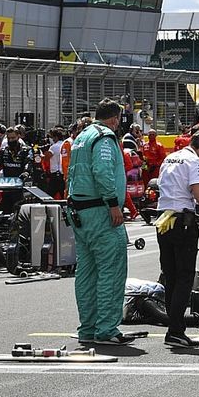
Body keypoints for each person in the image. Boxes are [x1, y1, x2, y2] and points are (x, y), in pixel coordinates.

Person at [67, 99, 134, 346]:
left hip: (79, 211)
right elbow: (103, 171)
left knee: (87, 272)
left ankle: (88, 327)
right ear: (116, 119)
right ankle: (106, 329)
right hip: (100, 210)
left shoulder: (82, 136)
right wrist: (113, 203)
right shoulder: (105, 137)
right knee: (112, 269)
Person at [155, 130, 199, 348]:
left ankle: (173, 329)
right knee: (185, 277)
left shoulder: (169, 157)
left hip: (163, 219)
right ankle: (175, 330)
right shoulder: (195, 161)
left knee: (171, 276)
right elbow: (198, 194)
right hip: (183, 221)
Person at [0, 126, 33, 212]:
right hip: (7, 188)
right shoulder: (3, 150)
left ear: (18, 137)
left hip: (20, 189)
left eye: (13, 138)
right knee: (2, 213)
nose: (11, 140)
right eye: (9, 138)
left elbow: (29, 162)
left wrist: (26, 172)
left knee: (19, 212)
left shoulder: (26, 150)